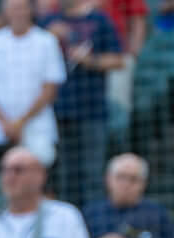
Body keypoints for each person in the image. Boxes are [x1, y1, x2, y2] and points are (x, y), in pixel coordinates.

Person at [43, 0, 123, 207]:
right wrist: (47, 36)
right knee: (63, 176)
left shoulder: (100, 20)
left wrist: (91, 60)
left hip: (91, 110)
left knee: (92, 174)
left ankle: (92, 225)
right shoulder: (48, 21)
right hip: (55, 110)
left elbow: (118, 60)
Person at [0, 0, 62, 167]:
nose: (17, 12)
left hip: (38, 128)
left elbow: (50, 89)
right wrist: (5, 122)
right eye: (12, 8)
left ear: (30, 10)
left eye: (21, 7)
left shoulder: (47, 41)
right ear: (5, 11)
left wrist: (20, 122)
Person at [85, 154, 174, 238]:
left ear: (143, 184)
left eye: (133, 179)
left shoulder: (156, 214)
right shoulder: (90, 213)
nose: (126, 184)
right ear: (108, 179)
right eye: (120, 177)